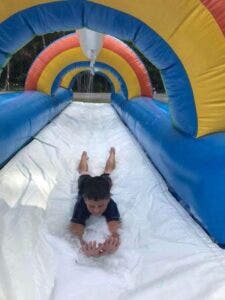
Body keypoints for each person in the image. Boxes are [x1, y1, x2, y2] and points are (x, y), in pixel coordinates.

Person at [70, 147, 121, 257]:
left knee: (108, 172)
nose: (96, 210)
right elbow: (76, 230)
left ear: (108, 199)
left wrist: (113, 241)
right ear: (85, 200)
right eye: (91, 206)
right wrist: (84, 247)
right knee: (84, 173)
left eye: (101, 205)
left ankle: (112, 154)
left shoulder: (111, 204)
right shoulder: (81, 204)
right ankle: (84, 157)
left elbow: (115, 227)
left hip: (103, 183)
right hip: (86, 184)